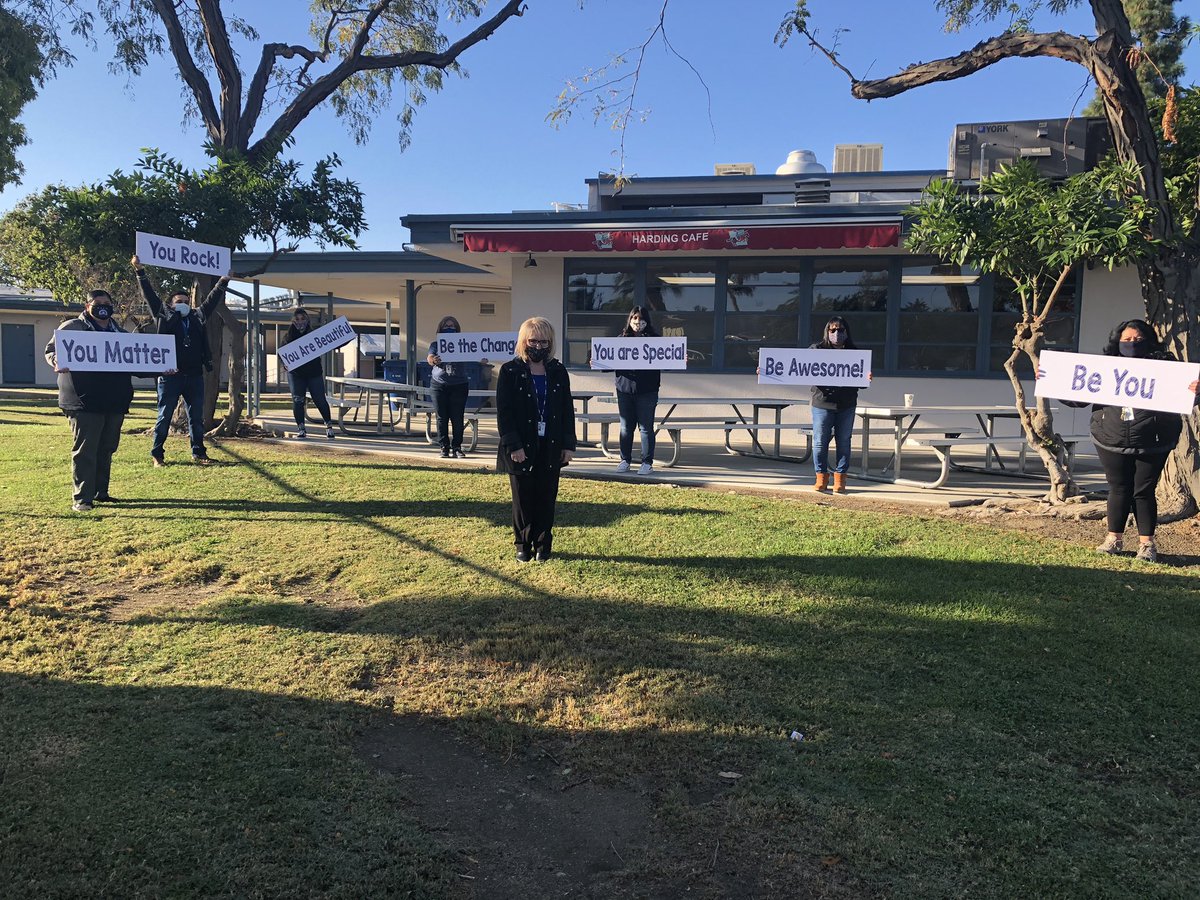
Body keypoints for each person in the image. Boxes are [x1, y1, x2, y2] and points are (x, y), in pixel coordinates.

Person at [1063, 319, 1199, 562]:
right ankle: (1113, 538)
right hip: (1110, 437)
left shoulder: (1167, 367)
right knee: (1118, 488)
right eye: (1127, 340)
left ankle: (1147, 544)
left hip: (1153, 439)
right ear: (1117, 342)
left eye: (1138, 340)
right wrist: (1052, 381)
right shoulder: (1104, 368)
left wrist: (1195, 390)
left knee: (1143, 490)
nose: (1132, 344)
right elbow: (1077, 397)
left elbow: (1185, 398)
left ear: (1149, 341)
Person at [131, 254, 229, 466]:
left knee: (196, 418)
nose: (183, 304)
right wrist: (140, 271)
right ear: (171, 304)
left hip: (194, 375)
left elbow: (211, 301)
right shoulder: (164, 316)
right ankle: (157, 454)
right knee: (164, 416)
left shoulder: (197, 317)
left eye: (186, 302)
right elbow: (149, 295)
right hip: (170, 376)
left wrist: (223, 281)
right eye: (179, 302)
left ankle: (199, 453)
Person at [44, 290, 136, 511]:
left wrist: (164, 368)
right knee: (85, 450)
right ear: (87, 306)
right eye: (97, 303)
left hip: (114, 400)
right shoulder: (72, 327)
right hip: (82, 400)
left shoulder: (121, 333)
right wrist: (57, 360)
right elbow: (50, 350)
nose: (103, 306)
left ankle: (100, 493)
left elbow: (137, 362)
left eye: (107, 303)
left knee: (106, 448)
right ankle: (82, 498)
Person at [496, 317, 576, 562]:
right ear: (524, 341)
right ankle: (523, 544)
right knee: (522, 498)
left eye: (544, 342)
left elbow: (566, 409)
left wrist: (568, 444)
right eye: (533, 341)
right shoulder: (510, 371)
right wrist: (514, 445)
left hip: (550, 444)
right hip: (521, 444)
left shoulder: (558, 371)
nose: (538, 346)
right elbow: (504, 412)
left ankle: (543, 544)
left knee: (546, 496)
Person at [809, 315, 868, 494]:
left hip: (846, 404)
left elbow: (862, 383)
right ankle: (821, 476)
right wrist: (765, 369)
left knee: (844, 442)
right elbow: (794, 368)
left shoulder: (855, 353)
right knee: (820, 442)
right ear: (827, 331)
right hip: (822, 404)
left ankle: (840, 479)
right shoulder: (816, 350)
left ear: (846, 332)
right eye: (833, 330)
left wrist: (866, 378)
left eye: (840, 330)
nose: (836, 333)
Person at [613, 306, 661, 475]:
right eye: (634, 318)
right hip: (624, 389)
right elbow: (608, 362)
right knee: (626, 427)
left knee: (646, 428)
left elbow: (667, 363)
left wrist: (679, 360)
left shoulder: (656, 340)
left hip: (647, 390)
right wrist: (596, 362)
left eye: (641, 319)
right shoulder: (620, 340)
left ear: (647, 321)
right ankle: (625, 460)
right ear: (630, 319)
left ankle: (647, 462)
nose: (637, 322)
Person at [281, 307, 336, 440]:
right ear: (293, 321)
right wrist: (285, 363)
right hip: (296, 374)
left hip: (314, 373)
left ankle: (329, 427)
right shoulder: (288, 337)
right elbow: (282, 355)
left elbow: (331, 341)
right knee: (298, 401)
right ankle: (301, 429)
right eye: (297, 319)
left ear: (307, 320)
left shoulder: (314, 335)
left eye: (303, 319)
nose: (300, 322)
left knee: (320, 400)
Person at [427, 315, 470, 458]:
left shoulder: (464, 344)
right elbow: (430, 358)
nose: (449, 328)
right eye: (446, 326)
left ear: (457, 329)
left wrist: (482, 359)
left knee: (457, 418)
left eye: (452, 326)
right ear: (440, 329)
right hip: (439, 384)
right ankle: (444, 447)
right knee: (441, 417)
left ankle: (457, 447)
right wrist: (433, 360)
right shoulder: (435, 344)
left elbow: (475, 354)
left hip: (459, 385)